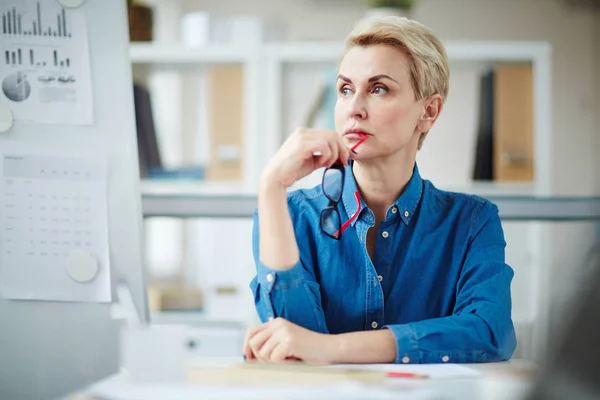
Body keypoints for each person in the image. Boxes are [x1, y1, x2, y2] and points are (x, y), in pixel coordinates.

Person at [243, 15, 517, 364]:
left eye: (378, 89)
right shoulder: (288, 214)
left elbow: (489, 333)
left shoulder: (472, 222)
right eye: (345, 90)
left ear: (428, 112)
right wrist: (270, 185)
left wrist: (333, 349)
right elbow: (292, 349)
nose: (354, 109)